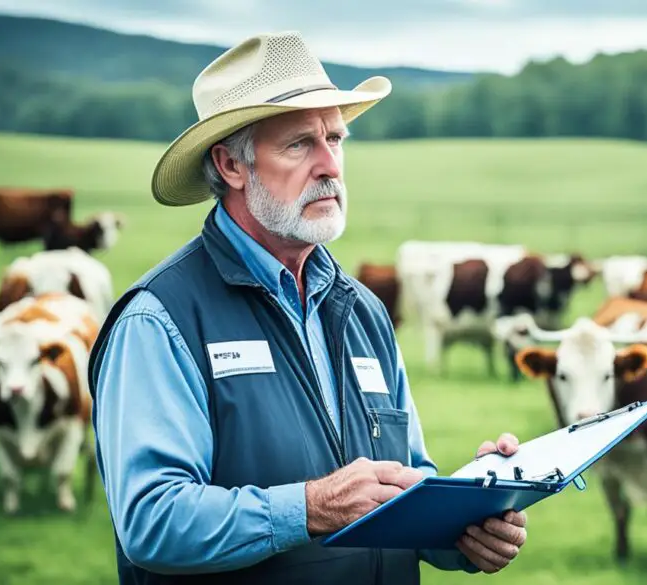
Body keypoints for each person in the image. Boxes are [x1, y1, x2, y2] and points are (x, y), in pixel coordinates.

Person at [87, 30, 528, 585]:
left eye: (336, 140)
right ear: (230, 165)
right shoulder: (161, 319)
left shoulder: (363, 310)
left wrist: (465, 522)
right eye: (300, 144)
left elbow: (401, 488)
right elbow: (151, 521)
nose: (330, 166)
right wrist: (311, 506)